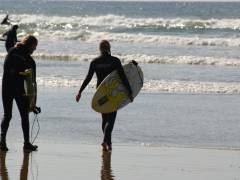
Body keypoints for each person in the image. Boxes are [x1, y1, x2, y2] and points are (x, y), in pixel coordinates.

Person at [76, 40, 133, 151]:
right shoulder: (115, 61)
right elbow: (123, 77)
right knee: (111, 119)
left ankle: (108, 143)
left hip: (100, 93)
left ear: (100, 49)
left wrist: (80, 92)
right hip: (113, 93)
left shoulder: (95, 62)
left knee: (104, 118)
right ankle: (106, 141)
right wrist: (130, 92)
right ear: (109, 48)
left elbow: (88, 78)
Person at [0, 35, 39, 152]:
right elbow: (33, 84)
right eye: (35, 47)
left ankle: (2, 141)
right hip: (19, 90)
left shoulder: (12, 51)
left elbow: (8, 42)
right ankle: (26, 144)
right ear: (31, 45)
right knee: (24, 116)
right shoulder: (30, 61)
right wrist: (33, 103)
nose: (35, 49)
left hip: (6, 87)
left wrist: (11, 32)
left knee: (7, 115)